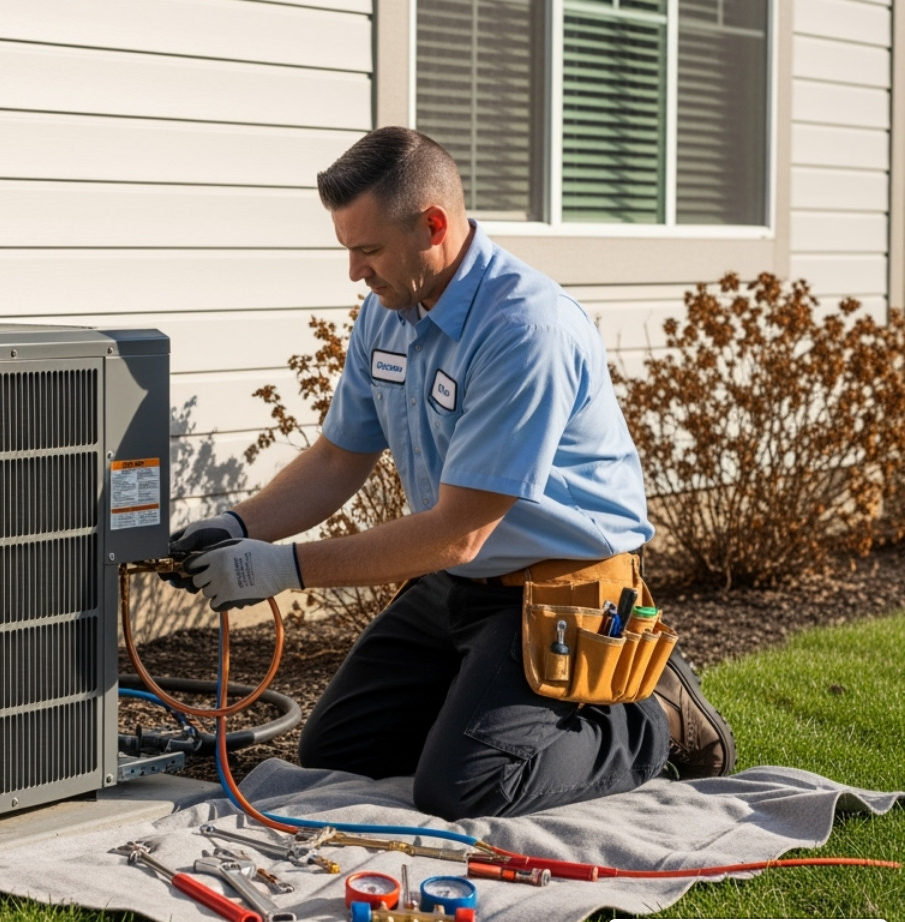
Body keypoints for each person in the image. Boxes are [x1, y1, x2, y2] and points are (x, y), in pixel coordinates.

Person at [167, 127, 734, 821]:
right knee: (339, 751)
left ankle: (651, 719)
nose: (354, 273)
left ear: (432, 226)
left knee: (466, 790)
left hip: (556, 588)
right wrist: (236, 525)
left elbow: (460, 532)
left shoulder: (526, 329)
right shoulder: (388, 313)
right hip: (457, 584)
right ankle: (483, 708)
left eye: (367, 250)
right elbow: (336, 458)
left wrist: (276, 569)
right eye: (348, 249)